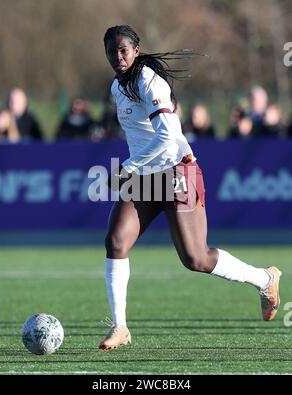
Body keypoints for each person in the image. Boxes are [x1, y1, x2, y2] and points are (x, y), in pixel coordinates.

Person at [99, 25, 282, 351]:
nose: (118, 56)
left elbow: (167, 136)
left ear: (137, 50)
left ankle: (265, 280)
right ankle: (120, 326)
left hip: (175, 171)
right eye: (112, 51)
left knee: (196, 258)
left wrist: (129, 166)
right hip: (145, 176)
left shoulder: (148, 80)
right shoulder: (117, 86)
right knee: (115, 241)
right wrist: (136, 167)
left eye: (124, 49)